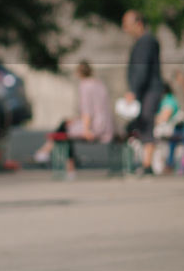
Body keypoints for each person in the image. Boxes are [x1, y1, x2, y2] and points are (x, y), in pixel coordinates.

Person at [34, 60, 113, 175]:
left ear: (78, 73)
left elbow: (87, 110)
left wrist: (86, 129)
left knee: (65, 131)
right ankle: (45, 150)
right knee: (66, 123)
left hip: (94, 127)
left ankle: (61, 161)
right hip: (106, 125)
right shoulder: (100, 84)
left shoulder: (85, 85)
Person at [121, 10, 163, 175]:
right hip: (147, 89)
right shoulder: (146, 41)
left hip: (148, 90)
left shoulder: (145, 42)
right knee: (141, 124)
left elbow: (141, 67)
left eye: (127, 24)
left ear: (138, 24)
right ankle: (144, 162)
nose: (125, 29)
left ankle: (147, 164)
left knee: (146, 123)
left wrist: (134, 90)